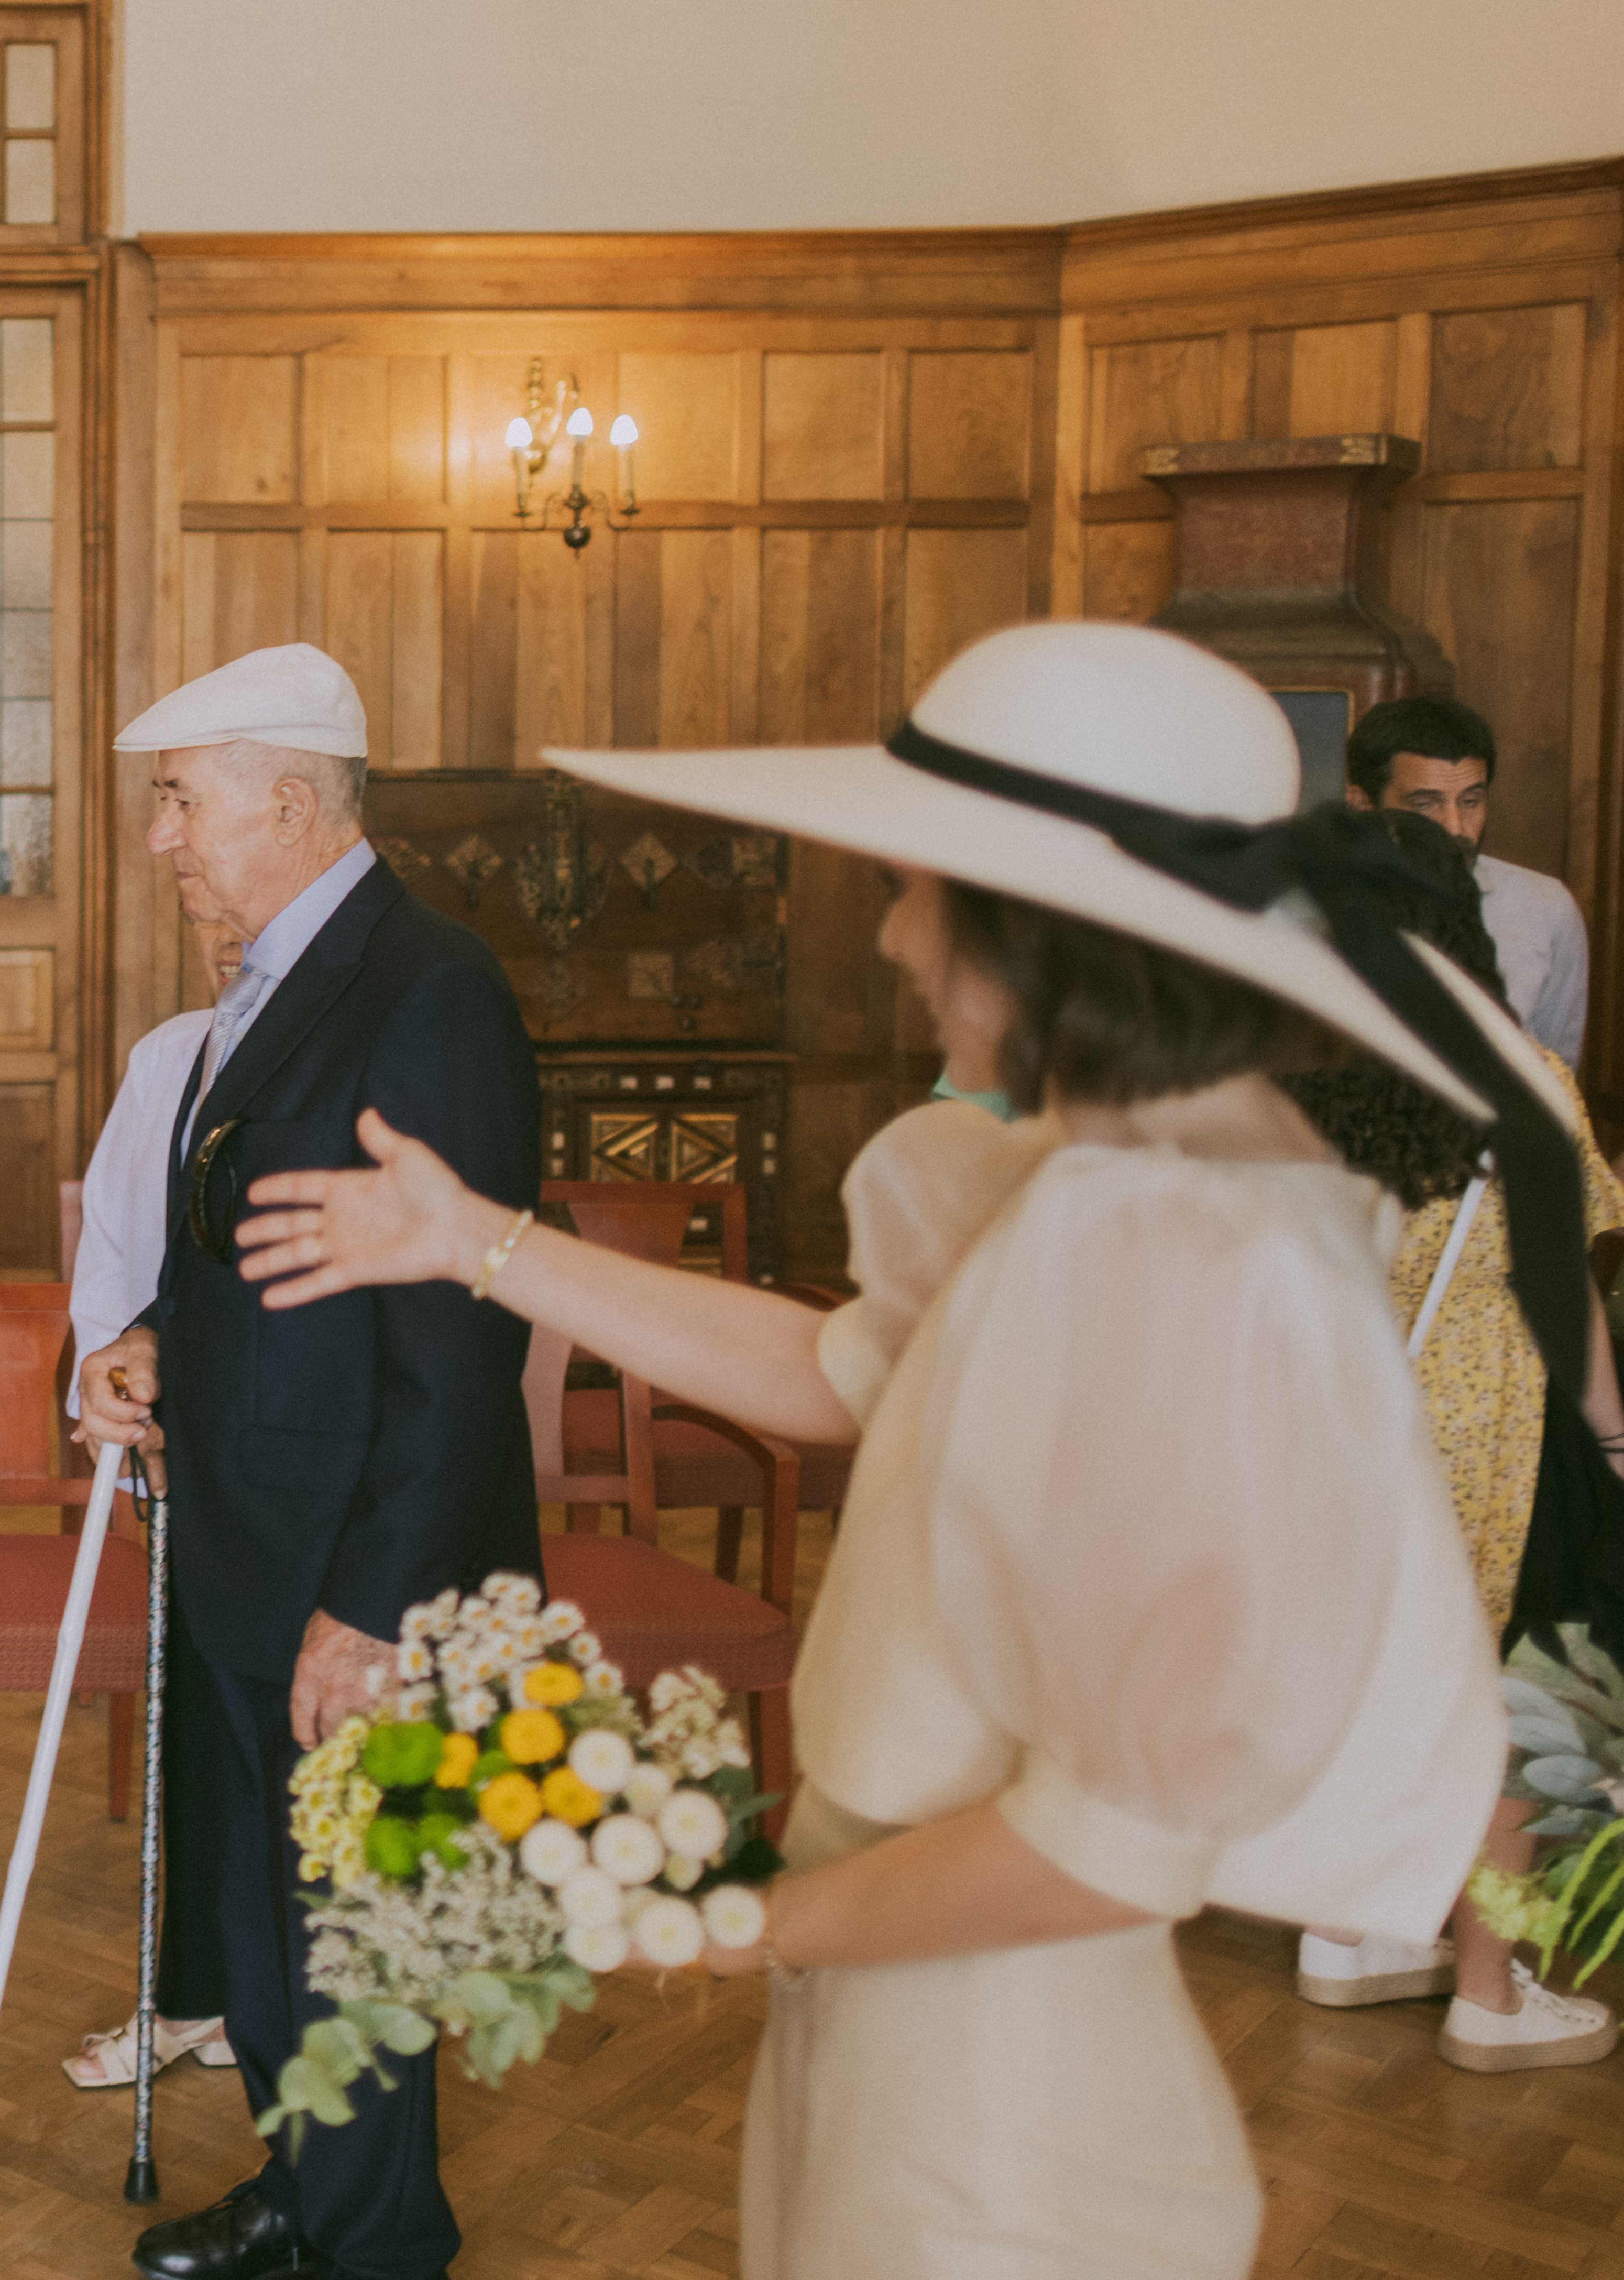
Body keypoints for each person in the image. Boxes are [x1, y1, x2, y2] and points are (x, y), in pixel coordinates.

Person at [231, 620, 1527, 2279]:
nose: (897, 935)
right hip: (887, 2011)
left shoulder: (1197, 1257)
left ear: (1041, 928)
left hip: (1008, 2101)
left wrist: (719, 1920)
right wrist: (475, 1239)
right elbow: (840, 1370)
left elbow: (1106, 1840)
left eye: (921, 886)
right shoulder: (1066, 1178)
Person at [75, 644, 541, 2280]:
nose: (161, 839)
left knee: (353, 1940)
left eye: (176, 800)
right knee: (270, 1931)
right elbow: (243, 1257)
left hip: (356, 1568)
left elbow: (461, 1345)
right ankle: (301, 2189)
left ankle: (373, 2243)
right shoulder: (266, 980)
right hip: (245, 1543)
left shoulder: (426, 991)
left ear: (287, 801)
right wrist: (146, 1336)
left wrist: (371, 1606)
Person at [1278, 804, 1624, 2071]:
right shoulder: (1521, 1080)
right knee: (1526, 1705)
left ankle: (1351, 1932)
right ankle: (1492, 1985)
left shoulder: (1282, 1077)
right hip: (1501, 1431)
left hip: (1336, 1429)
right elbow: (1564, 1288)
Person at [57, 964, 232, 2093]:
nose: (229, 951)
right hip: (188, 1438)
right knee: (202, 1729)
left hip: (326, 1454)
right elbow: (117, 1250)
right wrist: (114, 1377)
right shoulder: (171, 1057)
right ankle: (194, 1998)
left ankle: (306, 2014)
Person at [1345, 692, 1588, 1060]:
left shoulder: (1543, 907)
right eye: (1425, 804)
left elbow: (1555, 1075)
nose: (1455, 827)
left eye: (1470, 801)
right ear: (1362, 805)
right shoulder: (1306, 907)